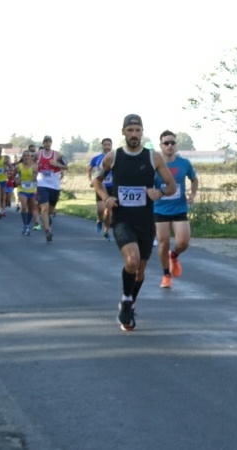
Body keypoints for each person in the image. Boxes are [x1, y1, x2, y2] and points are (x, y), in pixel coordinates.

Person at [93, 114, 176, 331]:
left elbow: (172, 186)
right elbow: (97, 180)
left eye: (137, 130)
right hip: (122, 219)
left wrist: (159, 192)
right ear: (123, 132)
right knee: (132, 260)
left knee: (140, 270)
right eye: (130, 130)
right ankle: (126, 299)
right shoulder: (113, 157)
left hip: (145, 221)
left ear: (142, 132)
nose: (134, 134)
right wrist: (106, 197)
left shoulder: (153, 157)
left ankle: (129, 303)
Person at [154, 130, 199, 289]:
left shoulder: (184, 163)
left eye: (172, 142)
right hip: (159, 209)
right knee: (163, 243)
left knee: (183, 242)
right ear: (161, 145)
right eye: (166, 143)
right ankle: (166, 275)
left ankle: (174, 256)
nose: (170, 146)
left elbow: (194, 180)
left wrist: (192, 194)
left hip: (179, 208)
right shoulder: (155, 165)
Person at [35, 135, 68, 242]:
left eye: (49, 142)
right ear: (43, 143)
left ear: (51, 143)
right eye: (46, 142)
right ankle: (47, 231)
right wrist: (35, 169)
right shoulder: (38, 154)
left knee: (51, 210)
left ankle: (46, 217)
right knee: (44, 208)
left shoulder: (57, 154)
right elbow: (32, 163)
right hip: (42, 184)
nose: (48, 143)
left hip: (54, 185)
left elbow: (66, 167)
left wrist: (57, 164)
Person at [87, 138, 114, 240]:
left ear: (111, 146)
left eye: (108, 145)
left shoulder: (115, 158)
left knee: (109, 212)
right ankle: (99, 220)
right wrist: (91, 181)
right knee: (101, 210)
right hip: (100, 186)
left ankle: (106, 232)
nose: (107, 147)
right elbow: (89, 170)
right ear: (102, 146)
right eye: (105, 145)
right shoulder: (96, 158)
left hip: (112, 186)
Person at [14, 149, 38, 236]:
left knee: (31, 208)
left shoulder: (35, 166)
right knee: (24, 207)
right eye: (24, 155)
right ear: (22, 157)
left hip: (32, 189)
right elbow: (13, 176)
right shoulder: (18, 166)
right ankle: (26, 226)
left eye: (28, 156)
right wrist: (16, 181)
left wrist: (35, 177)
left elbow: (37, 178)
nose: (26, 157)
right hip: (22, 189)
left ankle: (27, 224)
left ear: (31, 157)